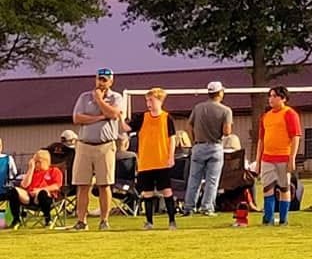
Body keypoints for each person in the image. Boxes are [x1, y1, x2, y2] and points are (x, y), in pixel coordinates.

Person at [70, 66, 125, 231]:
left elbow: (114, 114)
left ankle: (104, 220)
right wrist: (100, 117)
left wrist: (100, 101)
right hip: (85, 145)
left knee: (104, 184)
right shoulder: (84, 97)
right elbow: (77, 118)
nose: (101, 82)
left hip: (105, 146)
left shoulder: (116, 97)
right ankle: (81, 221)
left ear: (111, 81)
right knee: (82, 185)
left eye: (104, 80)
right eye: (99, 79)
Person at [127, 87, 179, 231]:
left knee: (167, 191)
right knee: (147, 193)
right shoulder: (142, 117)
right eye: (147, 100)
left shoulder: (167, 118)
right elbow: (127, 128)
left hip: (162, 161)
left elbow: (172, 139)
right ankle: (149, 222)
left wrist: (170, 157)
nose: (148, 103)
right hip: (146, 161)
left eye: (151, 100)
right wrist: (118, 117)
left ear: (159, 100)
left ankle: (172, 221)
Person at [184, 80, 233, 217]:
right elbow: (227, 131)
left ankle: (189, 207)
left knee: (194, 179)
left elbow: (189, 126)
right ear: (220, 93)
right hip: (215, 146)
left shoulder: (198, 108)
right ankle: (207, 207)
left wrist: (194, 140)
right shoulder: (225, 110)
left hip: (198, 146)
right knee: (212, 180)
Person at [255, 86, 302, 225]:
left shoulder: (290, 114)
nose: (271, 99)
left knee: (284, 187)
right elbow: (261, 140)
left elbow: (295, 137)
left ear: (283, 98)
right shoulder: (265, 116)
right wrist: (258, 161)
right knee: (267, 188)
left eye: (274, 96)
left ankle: (283, 219)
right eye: (270, 96)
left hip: (283, 157)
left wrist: (292, 158)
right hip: (267, 158)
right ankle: (268, 218)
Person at [8, 148, 64, 228]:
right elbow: (24, 185)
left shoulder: (54, 171)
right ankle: (16, 220)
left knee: (42, 193)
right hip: (29, 196)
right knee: (13, 191)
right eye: (35, 162)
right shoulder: (33, 172)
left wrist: (40, 190)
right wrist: (31, 169)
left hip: (43, 196)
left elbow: (56, 186)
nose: (36, 164)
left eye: (37, 162)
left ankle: (47, 219)